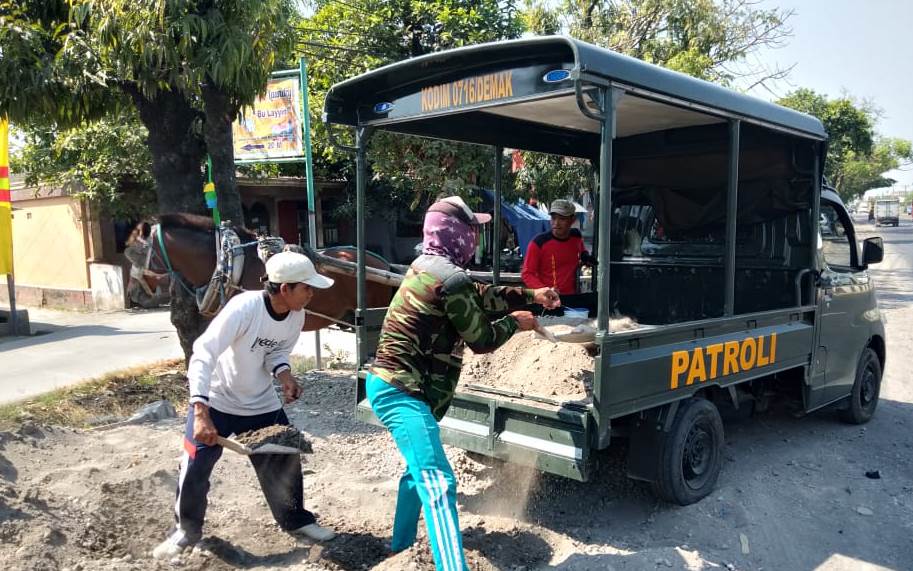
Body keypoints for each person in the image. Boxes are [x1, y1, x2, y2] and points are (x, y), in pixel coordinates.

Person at [366, 196, 560, 570]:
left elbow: (478, 296)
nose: (475, 237)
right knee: (438, 483)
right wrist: (516, 323)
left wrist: (531, 295)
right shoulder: (450, 277)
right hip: (401, 391)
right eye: (472, 230)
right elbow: (482, 338)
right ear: (457, 233)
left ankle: (400, 548)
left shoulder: (430, 266)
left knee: (416, 473)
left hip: (396, 387)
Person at [153, 251, 338, 559]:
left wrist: (285, 375)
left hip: (261, 403)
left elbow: (275, 353)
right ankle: (186, 531)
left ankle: (295, 520)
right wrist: (200, 411)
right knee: (195, 465)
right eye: (306, 287)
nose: (311, 293)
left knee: (284, 457)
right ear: (284, 289)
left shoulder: (296, 316)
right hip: (217, 402)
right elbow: (203, 353)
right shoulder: (243, 308)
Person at [521, 199, 593, 296]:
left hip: (572, 298)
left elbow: (581, 249)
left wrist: (585, 256)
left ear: (572, 220)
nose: (556, 223)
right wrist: (545, 290)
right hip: (547, 301)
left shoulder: (576, 236)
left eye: (562, 219)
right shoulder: (538, 243)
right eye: (553, 218)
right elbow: (527, 274)